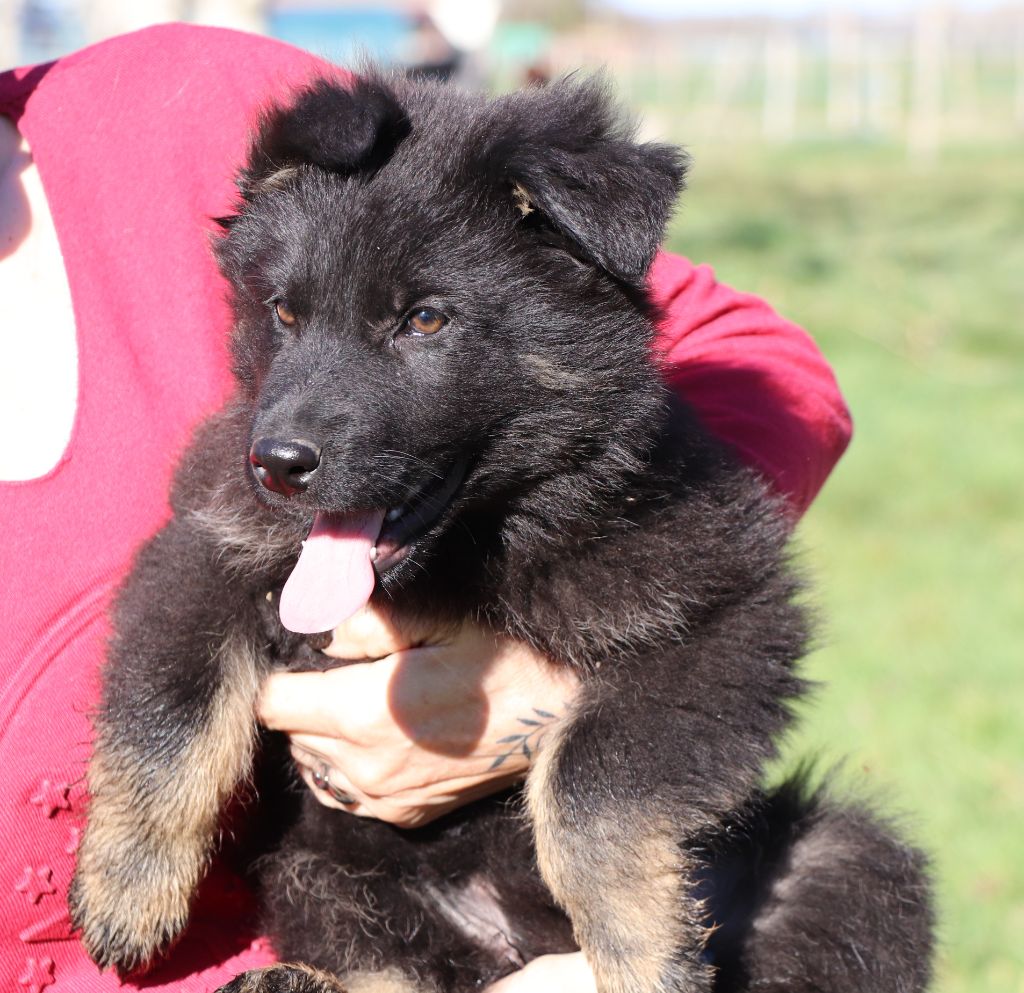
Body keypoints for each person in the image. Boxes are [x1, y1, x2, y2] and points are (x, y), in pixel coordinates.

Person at [0, 22, 851, 993]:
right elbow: (190, 594)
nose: (288, 423)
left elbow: (752, 403)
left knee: (846, 871)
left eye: (422, 322)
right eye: (288, 318)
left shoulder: (215, 105)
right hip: (346, 910)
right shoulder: (257, 483)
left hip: (602, 935)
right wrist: (152, 819)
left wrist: (545, 715)